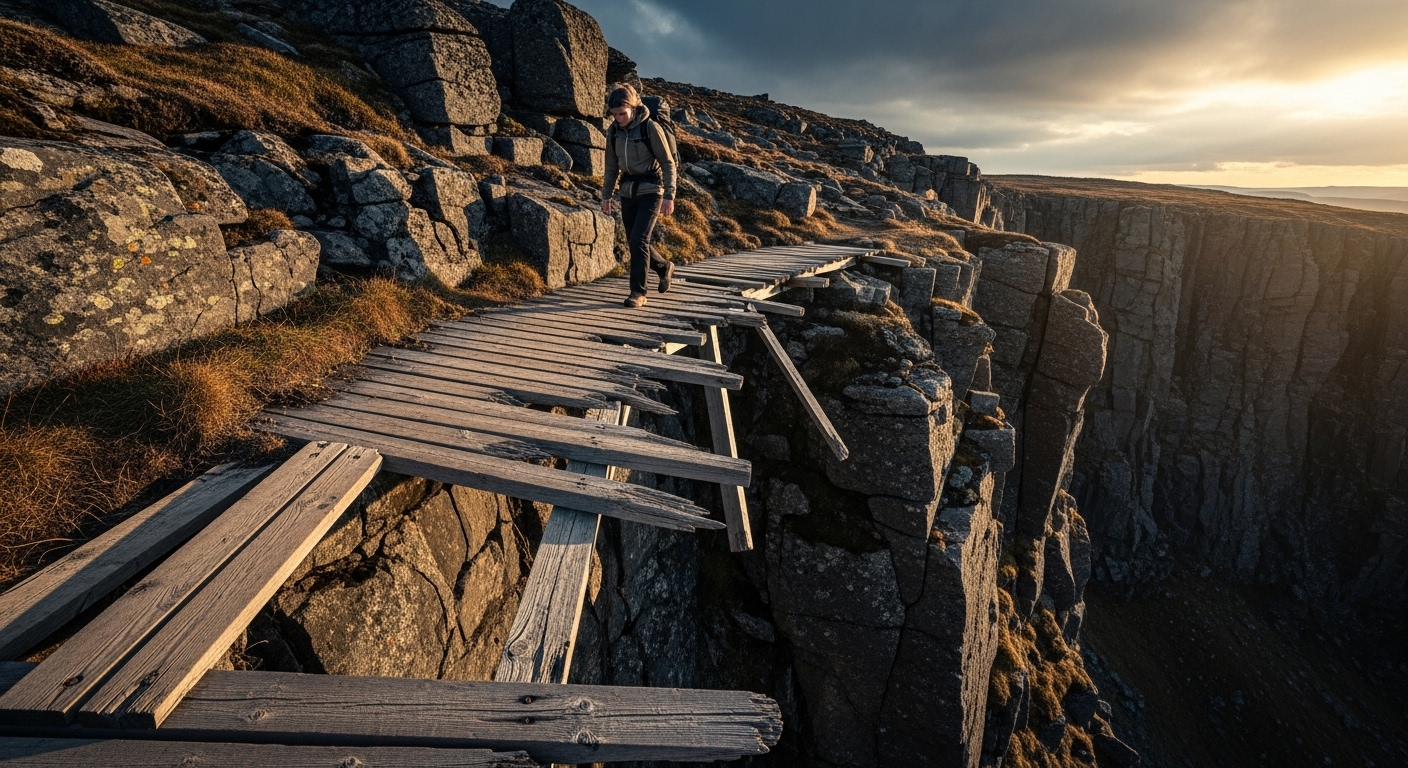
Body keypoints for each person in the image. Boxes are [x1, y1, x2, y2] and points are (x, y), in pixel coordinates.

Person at [601, 82, 675, 308]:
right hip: (627, 191)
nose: (619, 118)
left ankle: (638, 292)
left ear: (633, 108)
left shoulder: (650, 128)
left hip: (651, 190)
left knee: (638, 239)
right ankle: (663, 267)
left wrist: (669, 195)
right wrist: (606, 196)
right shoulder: (613, 131)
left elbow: (668, 162)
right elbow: (611, 167)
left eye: (622, 114)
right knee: (636, 240)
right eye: (614, 115)